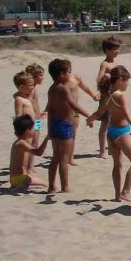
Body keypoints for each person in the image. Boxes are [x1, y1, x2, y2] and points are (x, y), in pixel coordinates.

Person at [86, 66, 131, 202]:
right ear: (119, 81)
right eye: (126, 81)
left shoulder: (109, 95)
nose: (128, 84)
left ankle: (117, 195)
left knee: (117, 165)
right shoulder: (120, 96)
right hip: (121, 132)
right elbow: (125, 112)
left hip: (110, 132)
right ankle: (125, 192)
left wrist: (90, 119)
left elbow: (99, 112)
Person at [45, 58, 93, 193]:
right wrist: (90, 116)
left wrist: (49, 129)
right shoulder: (63, 89)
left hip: (55, 124)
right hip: (65, 124)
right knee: (64, 158)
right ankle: (64, 186)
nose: (70, 75)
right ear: (61, 74)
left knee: (55, 157)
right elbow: (73, 105)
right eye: (68, 72)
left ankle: (51, 186)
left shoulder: (51, 89)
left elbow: (51, 110)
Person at [95, 37, 122, 156]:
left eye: (117, 49)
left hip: (116, 97)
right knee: (105, 124)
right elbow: (99, 78)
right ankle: (102, 151)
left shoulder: (116, 63)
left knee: (114, 123)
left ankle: (112, 147)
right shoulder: (104, 64)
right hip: (107, 97)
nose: (116, 51)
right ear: (107, 50)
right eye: (114, 49)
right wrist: (99, 91)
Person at [9, 114, 48, 191]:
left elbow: (35, 131)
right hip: (20, 178)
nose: (33, 130)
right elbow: (39, 152)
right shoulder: (22, 143)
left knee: (41, 184)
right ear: (27, 130)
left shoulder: (19, 141)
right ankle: (23, 187)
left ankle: (21, 185)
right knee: (45, 185)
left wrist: (38, 120)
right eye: (32, 129)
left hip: (14, 178)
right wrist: (46, 139)